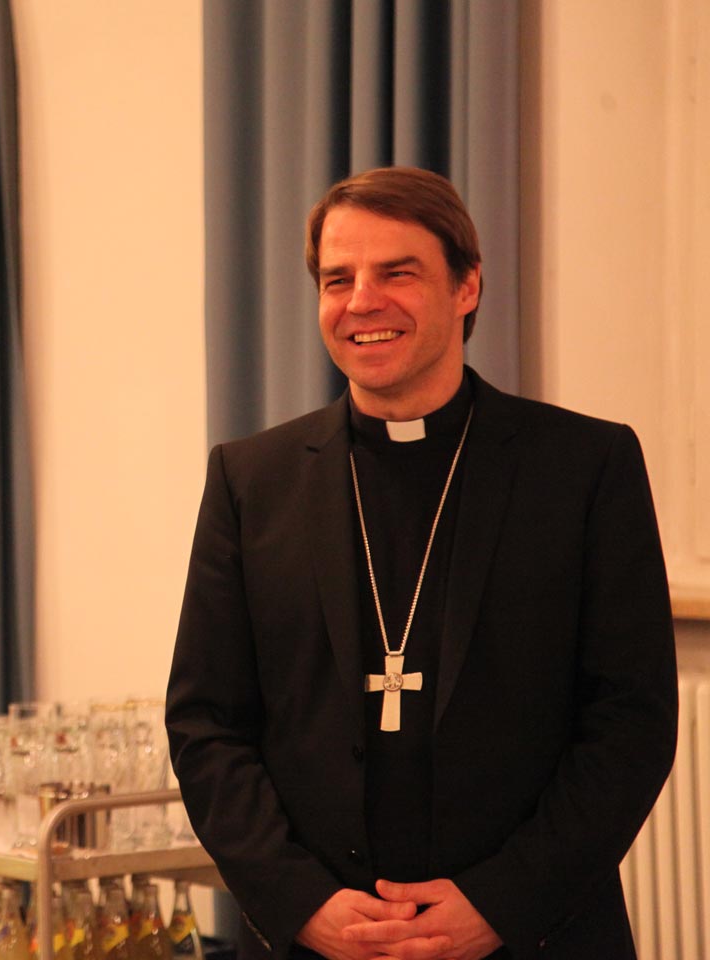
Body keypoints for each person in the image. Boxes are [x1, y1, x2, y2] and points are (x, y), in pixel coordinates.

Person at [165, 167, 677, 960]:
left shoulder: (583, 467)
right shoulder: (250, 480)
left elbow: (631, 723)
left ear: (466, 287)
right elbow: (207, 725)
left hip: (534, 936)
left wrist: (502, 905)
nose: (362, 302)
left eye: (397, 273)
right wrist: (302, 903)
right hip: (326, 941)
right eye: (338, 280)